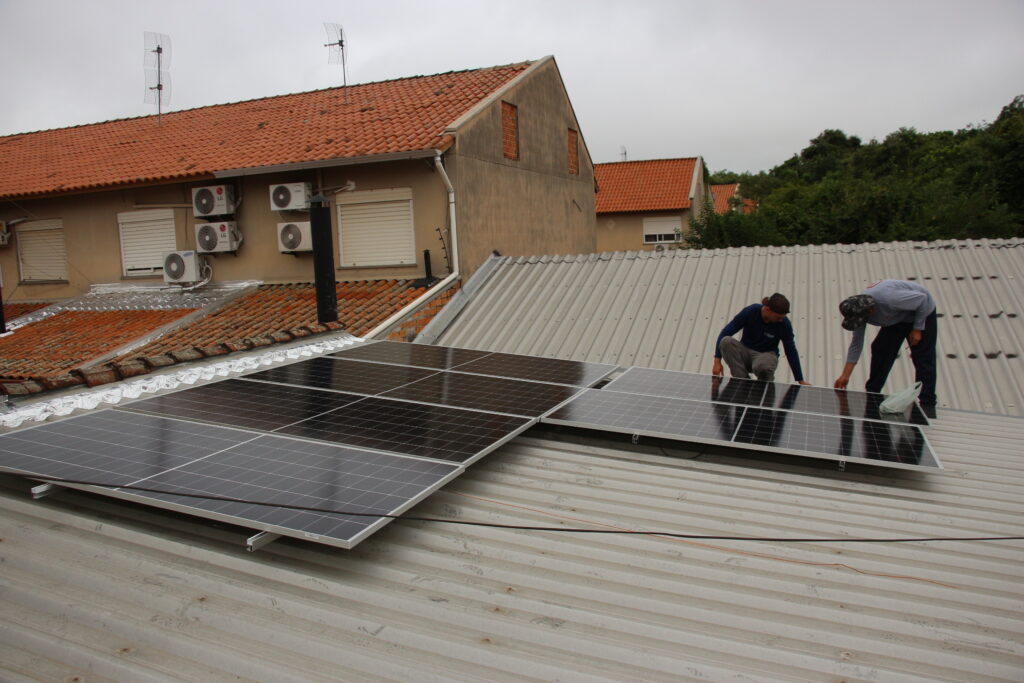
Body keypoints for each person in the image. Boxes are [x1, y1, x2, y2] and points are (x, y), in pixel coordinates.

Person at [833, 279, 938, 417]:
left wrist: (918, 328)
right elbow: (856, 343)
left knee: (922, 357)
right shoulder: (858, 312)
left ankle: (927, 403)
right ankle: (873, 392)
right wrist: (845, 375)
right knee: (880, 349)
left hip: (921, 312)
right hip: (897, 318)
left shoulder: (889, 299)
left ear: (871, 309)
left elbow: (922, 300)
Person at [712, 293, 810, 384]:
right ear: (767, 310)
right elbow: (726, 332)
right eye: (778, 317)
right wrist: (717, 362)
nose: (780, 320)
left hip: (766, 355)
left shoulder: (784, 324)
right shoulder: (751, 311)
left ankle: (764, 388)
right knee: (726, 341)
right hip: (745, 352)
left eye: (782, 317)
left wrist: (800, 379)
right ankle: (742, 381)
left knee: (763, 366)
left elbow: (791, 351)